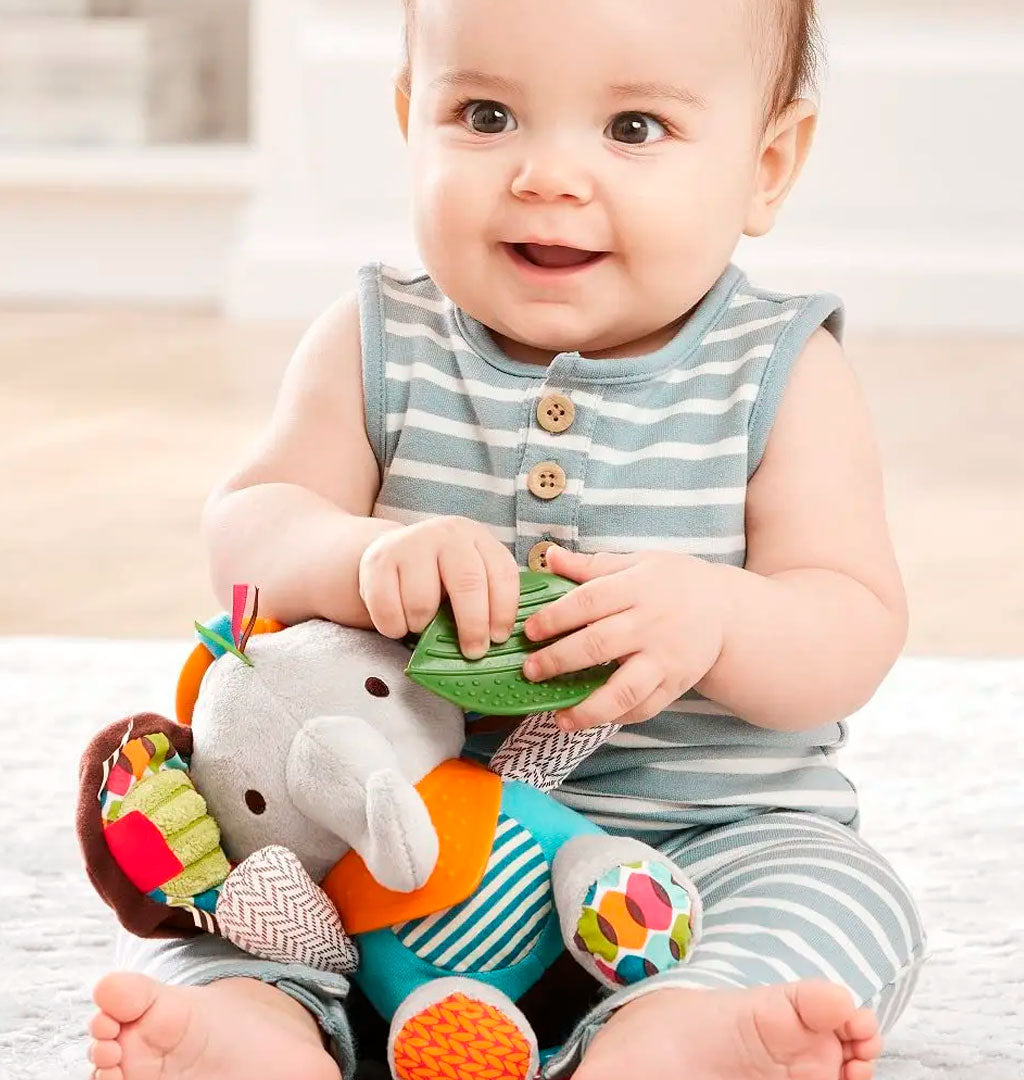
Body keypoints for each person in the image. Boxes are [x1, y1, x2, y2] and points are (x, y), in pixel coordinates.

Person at [85, 1, 928, 1077]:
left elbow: (849, 625)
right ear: (410, 119)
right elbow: (248, 532)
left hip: (696, 847)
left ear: (767, 164)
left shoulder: (782, 375)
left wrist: (719, 617)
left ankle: (673, 1038)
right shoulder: (376, 341)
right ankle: (257, 1036)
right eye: (486, 114)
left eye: (632, 129)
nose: (545, 176)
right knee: (240, 915)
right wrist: (355, 558)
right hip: (389, 857)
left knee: (838, 897)